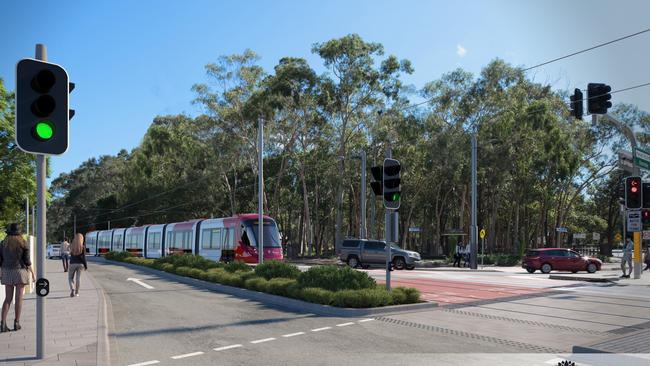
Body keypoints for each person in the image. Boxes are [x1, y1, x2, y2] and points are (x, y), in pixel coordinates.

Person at [0, 223, 36, 332]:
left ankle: (3, 324)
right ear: (19, 232)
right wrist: (33, 274)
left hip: (7, 272)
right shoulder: (23, 243)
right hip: (20, 271)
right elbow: (27, 261)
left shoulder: (3, 243)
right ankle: (16, 323)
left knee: (8, 298)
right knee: (18, 299)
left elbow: (0, 260)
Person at [68, 233, 87, 297]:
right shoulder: (82, 247)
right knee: (78, 278)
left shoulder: (72, 245)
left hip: (72, 263)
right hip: (80, 264)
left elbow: (70, 254)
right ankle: (77, 293)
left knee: (70, 278)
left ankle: (72, 289)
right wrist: (85, 266)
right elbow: (84, 257)